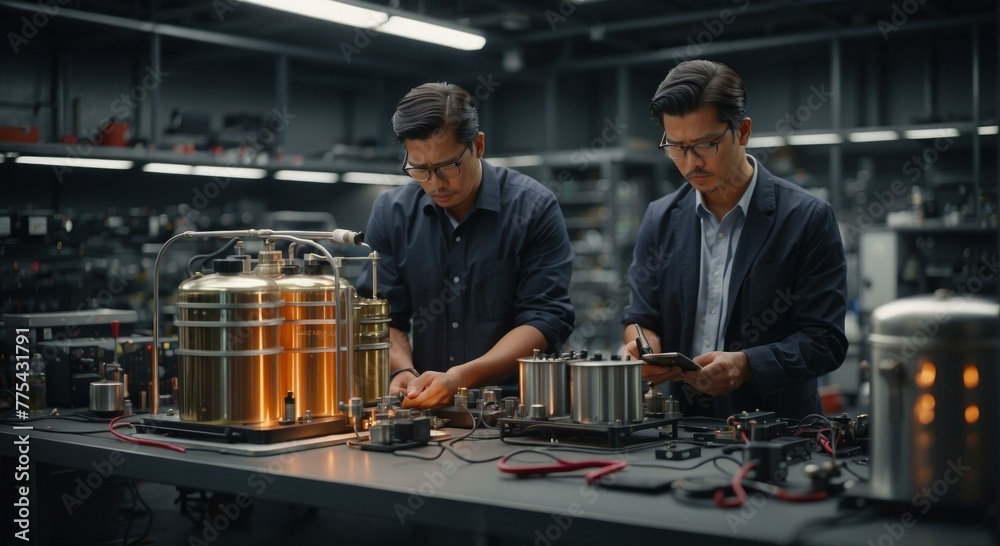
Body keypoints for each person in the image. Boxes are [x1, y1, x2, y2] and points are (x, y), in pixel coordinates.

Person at [621, 60, 848, 420]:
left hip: (777, 429)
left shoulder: (806, 218)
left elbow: (825, 341)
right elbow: (641, 315)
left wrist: (747, 365)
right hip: (682, 424)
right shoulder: (660, 219)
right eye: (676, 147)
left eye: (704, 145)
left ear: (742, 132)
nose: (690, 163)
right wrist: (639, 346)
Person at [355, 82, 575, 410]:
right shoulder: (392, 213)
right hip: (430, 411)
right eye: (420, 168)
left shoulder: (533, 208)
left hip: (520, 410)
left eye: (447, 167)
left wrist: (462, 377)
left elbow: (545, 317)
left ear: (479, 145)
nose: (435, 183)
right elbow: (383, 315)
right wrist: (401, 368)